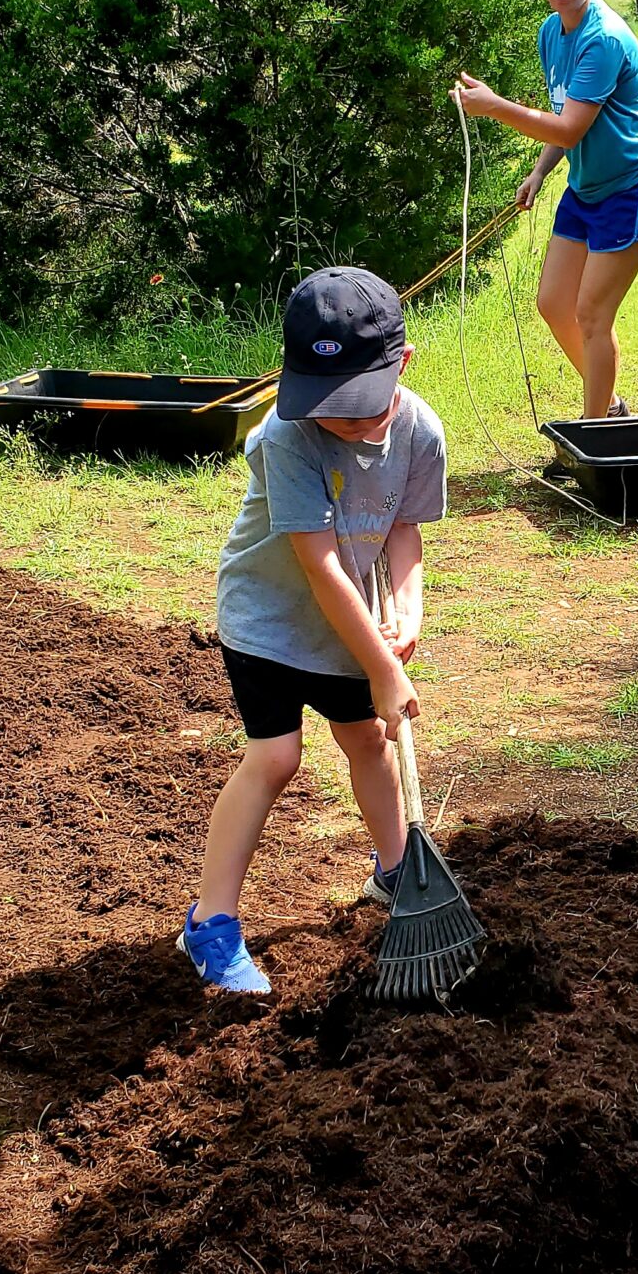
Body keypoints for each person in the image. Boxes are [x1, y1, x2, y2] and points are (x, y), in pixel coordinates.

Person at [180, 267, 446, 995]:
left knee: (367, 739)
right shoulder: (286, 437)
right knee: (276, 758)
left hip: (343, 630)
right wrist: (386, 670)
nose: (352, 426)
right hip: (267, 620)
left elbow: (404, 535)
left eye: (364, 408)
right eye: (333, 409)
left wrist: (407, 611)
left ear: (403, 365)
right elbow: (321, 566)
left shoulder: (420, 431)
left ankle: (400, 878)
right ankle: (211, 926)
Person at [453, 0, 638, 420]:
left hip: (634, 184)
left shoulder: (604, 40)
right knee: (554, 303)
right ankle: (611, 406)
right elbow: (561, 118)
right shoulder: (551, 32)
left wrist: (494, 106)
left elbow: (569, 129)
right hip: (587, 186)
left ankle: (596, 434)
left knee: (592, 314)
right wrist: (539, 172)